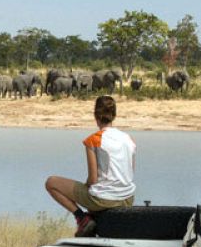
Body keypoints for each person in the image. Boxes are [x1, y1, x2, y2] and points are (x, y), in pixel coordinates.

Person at [45, 95, 135, 236]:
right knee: (96, 191)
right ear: (114, 115)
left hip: (104, 200)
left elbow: (93, 179)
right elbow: (130, 173)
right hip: (128, 198)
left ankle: (82, 218)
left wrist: (86, 187)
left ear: (96, 116)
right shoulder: (128, 139)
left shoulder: (93, 140)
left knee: (51, 183)